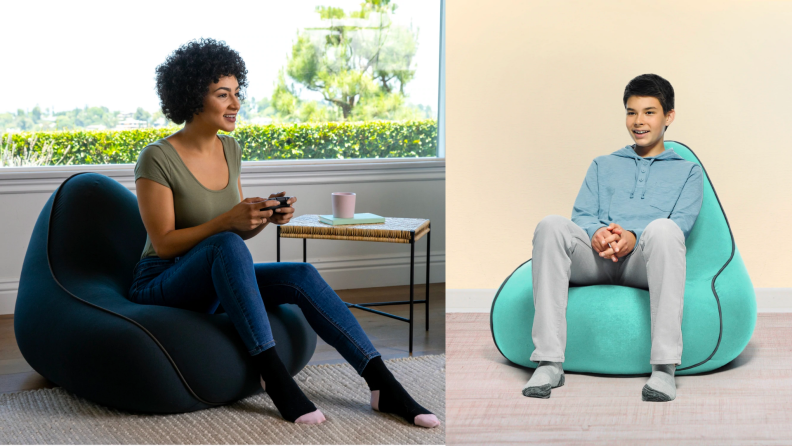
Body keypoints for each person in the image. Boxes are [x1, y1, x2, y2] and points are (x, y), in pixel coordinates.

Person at [129, 38, 440, 427]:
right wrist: (228, 224)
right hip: (161, 281)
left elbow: (233, 239)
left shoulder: (231, 150)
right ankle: (272, 375)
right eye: (222, 94)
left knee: (301, 274)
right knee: (223, 241)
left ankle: (382, 383)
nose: (235, 104)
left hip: (213, 276)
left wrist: (262, 217)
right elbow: (164, 243)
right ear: (192, 97)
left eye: (237, 93)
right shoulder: (156, 157)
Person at [522, 74, 703, 402]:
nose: (639, 121)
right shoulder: (603, 164)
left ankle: (664, 369)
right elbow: (583, 216)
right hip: (596, 259)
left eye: (649, 112)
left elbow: (681, 226)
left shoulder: (688, 171)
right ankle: (549, 362)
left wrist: (633, 237)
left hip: (644, 264)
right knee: (550, 224)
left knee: (664, 230)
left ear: (668, 117)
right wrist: (596, 234)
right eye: (631, 112)